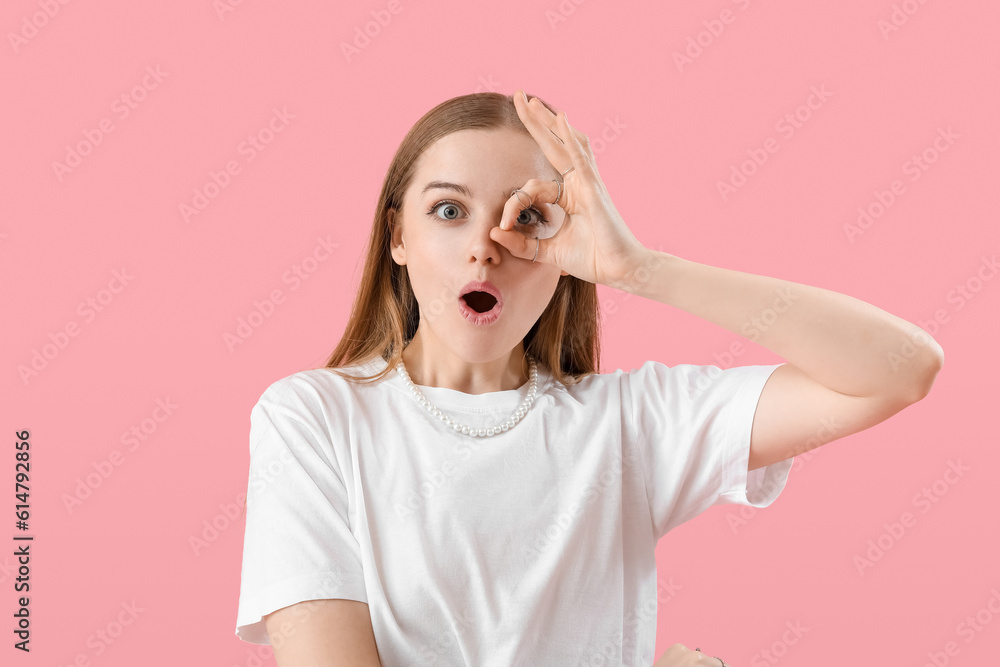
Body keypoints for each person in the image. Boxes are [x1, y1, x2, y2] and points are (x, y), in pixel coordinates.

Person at [233, 90, 944, 666]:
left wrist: (638, 267)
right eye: (449, 211)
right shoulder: (314, 419)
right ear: (397, 236)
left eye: (527, 217)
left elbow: (899, 369)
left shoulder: (631, 423)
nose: (485, 247)